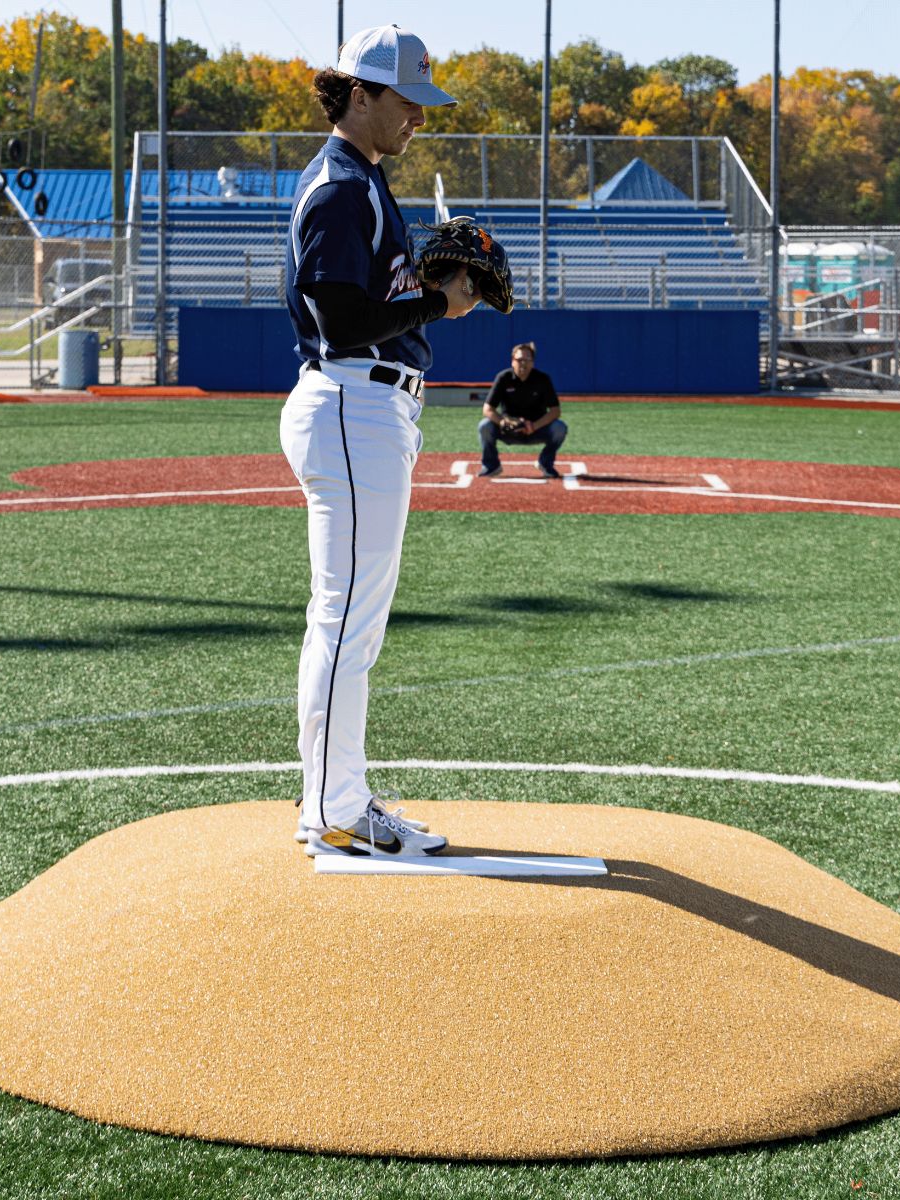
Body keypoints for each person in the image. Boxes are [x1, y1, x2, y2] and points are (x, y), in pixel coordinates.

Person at [279, 25, 480, 859]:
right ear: (358, 94)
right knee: (346, 621)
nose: (417, 120)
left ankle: (334, 797)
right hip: (352, 404)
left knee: (350, 618)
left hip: (368, 409)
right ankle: (334, 806)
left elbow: (363, 301)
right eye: (406, 101)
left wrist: (424, 287)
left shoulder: (364, 183)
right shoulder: (340, 187)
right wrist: (439, 306)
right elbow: (340, 322)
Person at [478, 342, 567, 478]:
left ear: (533, 362)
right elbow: (487, 409)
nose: (523, 364)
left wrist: (533, 426)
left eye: (527, 360)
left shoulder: (542, 379)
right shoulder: (503, 378)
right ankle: (491, 465)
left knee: (560, 428)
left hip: (536, 429)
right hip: (509, 429)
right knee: (485, 426)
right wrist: (503, 422)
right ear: (512, 361)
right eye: (519, 360)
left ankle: (545, 462)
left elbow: (555, 411)